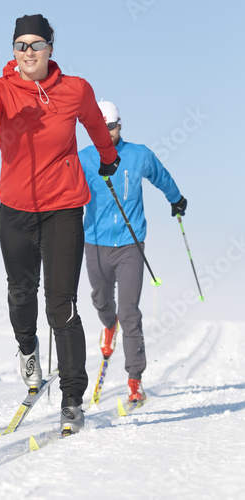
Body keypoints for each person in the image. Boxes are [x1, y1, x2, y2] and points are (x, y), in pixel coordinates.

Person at [0, 15, 120, 434]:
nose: (28, 52)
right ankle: (27, 349)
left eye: (36, 44)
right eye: (21, 45)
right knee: (20, 293)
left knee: (61, 305)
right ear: (13, 51)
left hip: (63, 208)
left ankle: (72, 397)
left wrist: (108, 158)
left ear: (52, 47)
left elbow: (94, 126)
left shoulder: (75, 89)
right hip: (15, 209)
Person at [79, 100, 187, 402]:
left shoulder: (139, 154)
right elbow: (65, 188)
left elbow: (161, 176)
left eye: (111, 126)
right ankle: (107, 326)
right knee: (101, 301)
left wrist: (175, 198)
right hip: (95, 241)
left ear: (119, 125)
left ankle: (135, 380)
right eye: (100, 127)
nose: (107, 132)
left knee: (130, 311)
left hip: (130, 243)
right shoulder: (84, 158)